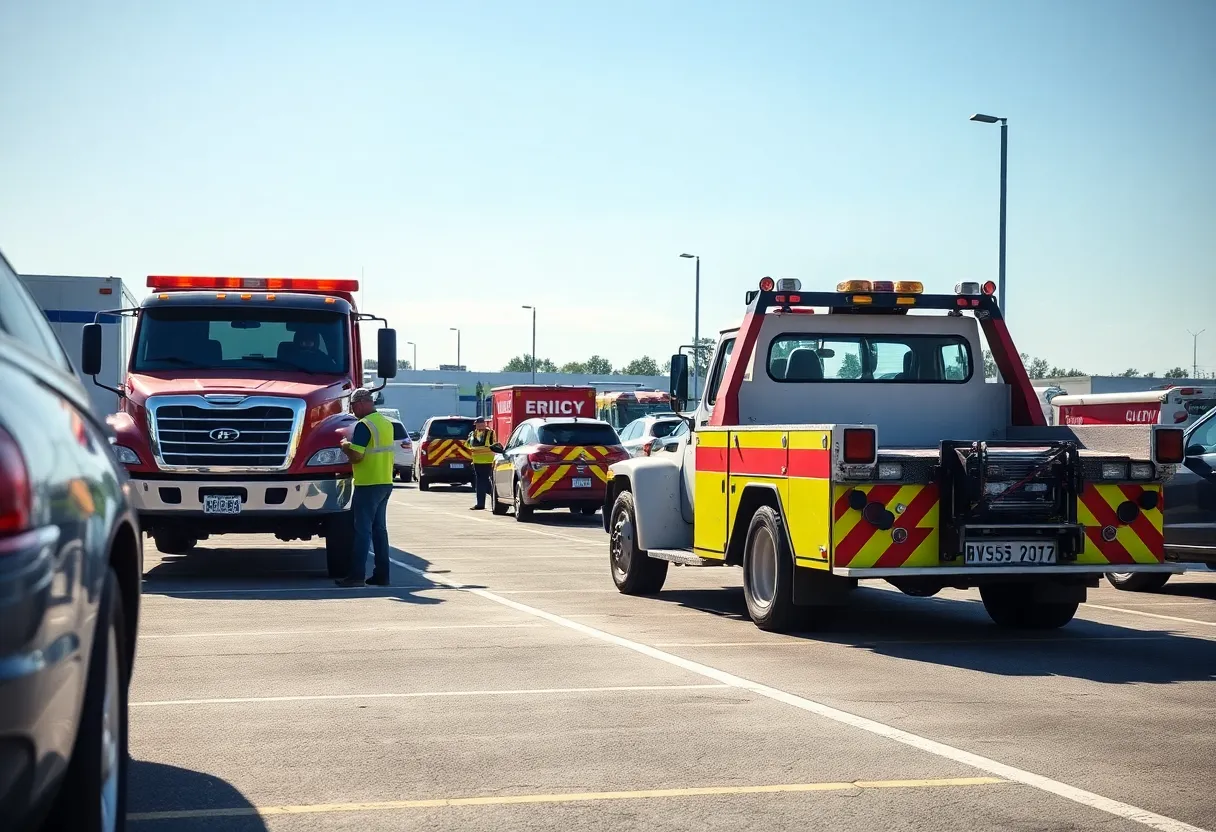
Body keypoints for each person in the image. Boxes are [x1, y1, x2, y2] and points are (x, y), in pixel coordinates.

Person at [335, 388, 395, 587]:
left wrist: (345, 446)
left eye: (353, 406)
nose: (352, 411)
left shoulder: (364, 425)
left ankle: (356, 576)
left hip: (367, 484)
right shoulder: (386, 424)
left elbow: (358, 455)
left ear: (361, 403)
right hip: (385, 482)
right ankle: (382, 575)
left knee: (361, 532)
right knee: (380, 531)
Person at [467, 416, 497, 510]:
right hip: (477, 461)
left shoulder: (490, 433)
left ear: (484, 424)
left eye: (480, 423)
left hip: (488, 461)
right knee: (481, 482)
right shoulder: (472, 434)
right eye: (477, 424)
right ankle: (482, 503)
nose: (478, 425)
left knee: (485, 482)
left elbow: (493, 444)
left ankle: (493, 502)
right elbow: (468, 445)